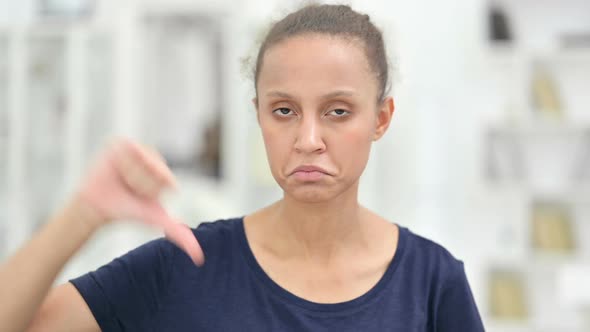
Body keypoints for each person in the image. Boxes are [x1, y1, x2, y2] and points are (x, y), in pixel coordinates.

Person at [0, 4, 484, 331]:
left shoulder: (432, 282)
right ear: (259, 116)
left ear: (381, 118)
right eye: (284, 111)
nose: (308, 140)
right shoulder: (185, 265)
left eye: (337, 111)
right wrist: (82, 214)